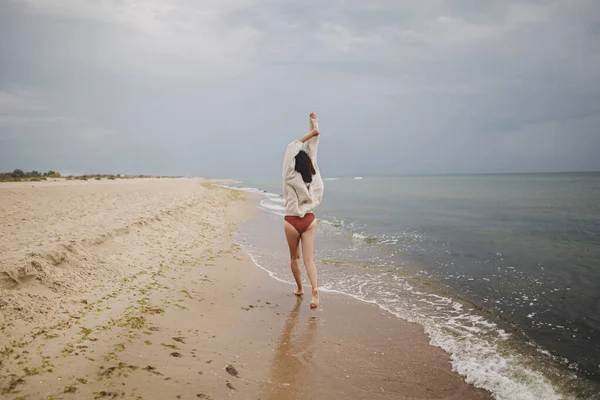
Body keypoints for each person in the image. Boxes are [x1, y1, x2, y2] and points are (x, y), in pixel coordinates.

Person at [282, 111, 324, 309]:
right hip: (309, 219)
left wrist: (311, 131)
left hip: (291, 221)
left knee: (294, 258)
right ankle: (315, 290)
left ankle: (300, 288)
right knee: (309, 261)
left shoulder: (289, 174)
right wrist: (314, 125)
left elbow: (293, 146)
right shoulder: (312, 172)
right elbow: (311, 150)